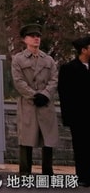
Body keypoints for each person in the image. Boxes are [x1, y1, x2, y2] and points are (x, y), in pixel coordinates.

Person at [11, 23, 59, 176]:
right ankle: (25, 173)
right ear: (25, 40)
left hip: (45, 104)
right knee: (26, 140)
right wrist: (34, 95)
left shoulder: (49, 60)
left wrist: (45, 95)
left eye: (38, 36)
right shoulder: (18, 59)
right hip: (28, 104)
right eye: (32, 36)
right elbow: (18, 81)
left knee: (48, 140)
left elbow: (54, 80)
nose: (36, 38)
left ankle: (48, 172)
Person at [58, 35, 90, 187]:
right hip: (79, 116)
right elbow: (65, 95)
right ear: (84, 50)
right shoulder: (69, 69)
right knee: (81, 147)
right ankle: (83, 176)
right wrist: (68, 117)